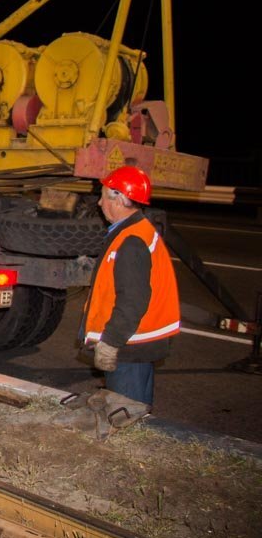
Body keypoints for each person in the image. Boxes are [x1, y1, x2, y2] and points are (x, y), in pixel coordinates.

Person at [80, 166, 180, 407]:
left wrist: (110, 342)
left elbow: (133, 300)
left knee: (124, 414)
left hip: (129, 346)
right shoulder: (136, 231)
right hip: (135, 344)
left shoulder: (131, 241)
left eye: (103, 197)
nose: (100, 203)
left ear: (119, 199)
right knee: (135, 412)